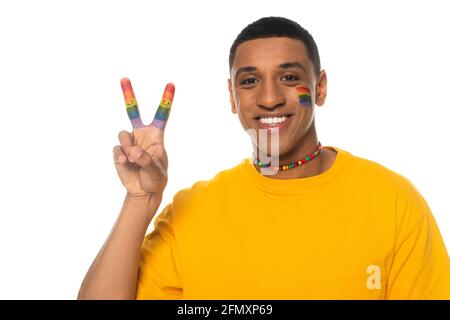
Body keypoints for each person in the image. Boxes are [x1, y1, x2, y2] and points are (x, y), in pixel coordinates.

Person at [78, 16, 450, 300]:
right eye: (250, 81)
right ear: (231, 96)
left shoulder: (393, 201)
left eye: (289, 78)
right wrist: (140, 199)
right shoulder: (191, 211)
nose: (269, 98)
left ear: (320, 88)